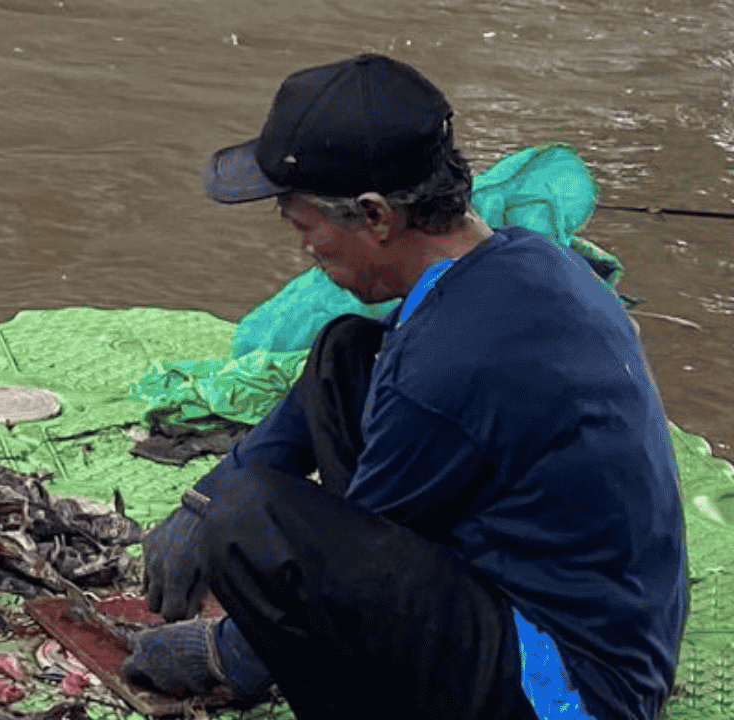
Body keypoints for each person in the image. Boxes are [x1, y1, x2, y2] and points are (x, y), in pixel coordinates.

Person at [119, 54, 688, 720]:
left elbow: (347, 582)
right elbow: (344, 382)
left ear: (376, 216)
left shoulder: (449, 366)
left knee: (251, 522)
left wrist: (225, 655)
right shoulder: (520, 259)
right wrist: (202, 498)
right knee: (345, 352)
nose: (308, 253)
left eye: (306, 230)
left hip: (571, 684)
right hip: (596, 615)